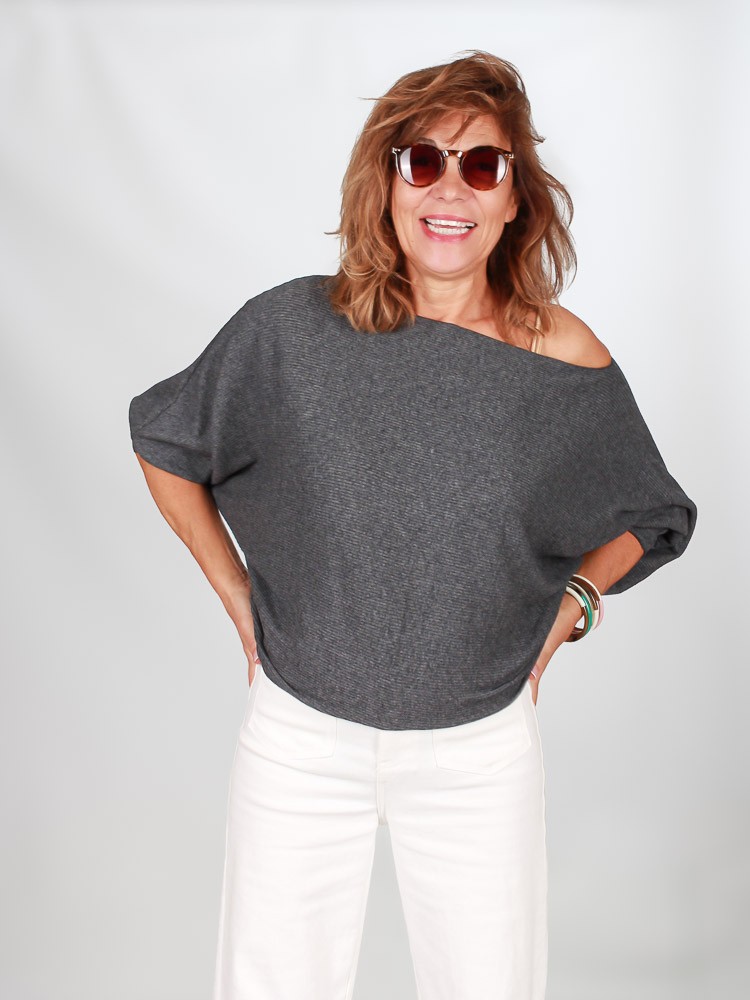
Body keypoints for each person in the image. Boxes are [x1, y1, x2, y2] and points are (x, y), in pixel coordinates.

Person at [128, 50, 697, 1000]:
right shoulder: (291, 330)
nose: (450, 190)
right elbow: (166, 440)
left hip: (478, 750)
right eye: (423, 161)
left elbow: (651, 510)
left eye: (483, 165)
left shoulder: (559, 357)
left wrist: (575, 605)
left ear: (515, 199)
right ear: (386, 184)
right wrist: (236, 592)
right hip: (301, 737)